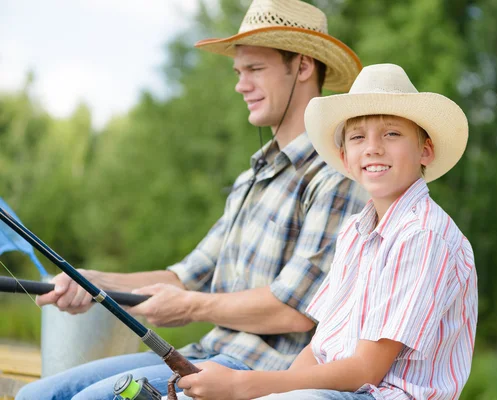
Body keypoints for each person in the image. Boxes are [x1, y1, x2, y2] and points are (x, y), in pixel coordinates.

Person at [16, 1, 367, 399]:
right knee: (35, 396)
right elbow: (184, 277)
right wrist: (95, 282)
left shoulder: (334, 175)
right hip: (202, 355)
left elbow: (295, 311)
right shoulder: (251, 178)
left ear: (303, 67)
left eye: (255, 69)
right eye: (239, 72)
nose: (240, 85)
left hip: (258, 370)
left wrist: (192, 307)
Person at [171, 64, 478, 400]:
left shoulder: (423, 234)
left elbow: (366, 369)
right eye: (359, 137)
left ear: (426, 150)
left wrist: (242, 386)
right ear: (345, 158)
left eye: (391, 134)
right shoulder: (353, 232)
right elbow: (319, 348)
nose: (373, 147)